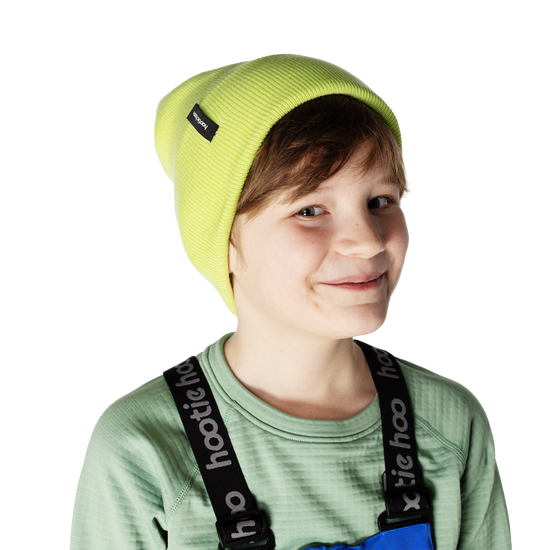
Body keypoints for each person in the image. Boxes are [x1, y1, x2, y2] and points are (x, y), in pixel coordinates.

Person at [68, 52, 513, 550]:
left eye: (380, 201)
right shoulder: (140, 448)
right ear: (225, 242)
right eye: (310, 210)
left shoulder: (451, 423)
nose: (367, 241)